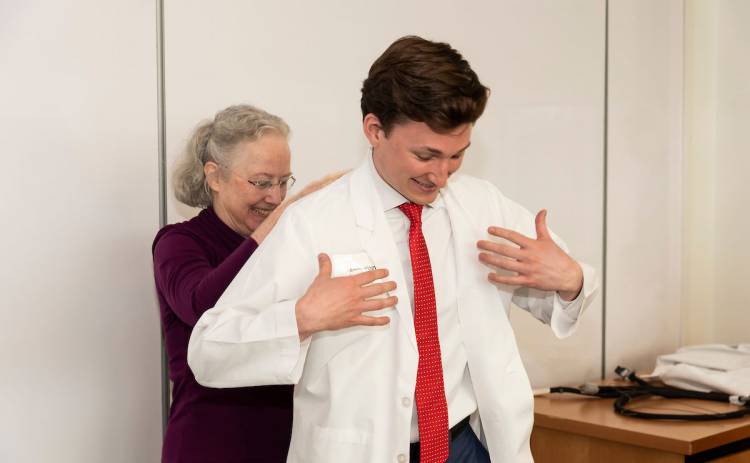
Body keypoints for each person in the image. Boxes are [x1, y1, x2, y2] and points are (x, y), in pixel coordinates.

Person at [187, 38, 598, 463]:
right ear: (374, 130)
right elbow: (209, 350)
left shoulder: (483, 206)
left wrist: (571, 281)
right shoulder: (314, 221)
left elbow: (565, 295)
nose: (441, 175)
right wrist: (302, 318)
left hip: (466, 446)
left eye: (457, 156)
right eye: (426, 155)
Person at [152, 104, 396, 463]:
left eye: (284, 182)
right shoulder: (179, 242)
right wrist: (283, 220)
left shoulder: (290, 245)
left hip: (288, 443)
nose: (275, 197)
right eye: (261, 182)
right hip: (210, 444)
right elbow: (202, 307)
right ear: (215, 177)